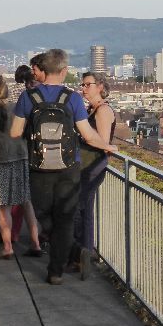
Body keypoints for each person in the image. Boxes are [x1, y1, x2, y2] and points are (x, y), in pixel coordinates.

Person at [10, 49, 116, 285]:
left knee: (43, 214)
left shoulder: (29, 97)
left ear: (43, 70)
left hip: (39, 165)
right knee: (66, 217)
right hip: (69, 166)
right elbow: (89, 136)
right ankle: (56, 270)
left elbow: (15, 132)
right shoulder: (73, 99)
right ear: (64, 71)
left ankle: (75, 251)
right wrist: (109, 147)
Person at [0, 75, 43, 260]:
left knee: (3, 207)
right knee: (26, 201)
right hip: (21, 158)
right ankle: (35, 243)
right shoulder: (17, 108)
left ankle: (7, 247)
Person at [70, 71, 115, 279]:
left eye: (88, 85)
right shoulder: (93, 109)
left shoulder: (103, 111)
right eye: (83, 85)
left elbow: (102, 141)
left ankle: (84, 252)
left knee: (80, 208)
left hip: (92, 166)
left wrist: (88, 137)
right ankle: (83, 253)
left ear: (100, 87)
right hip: (85, 165)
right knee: (83, 209)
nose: (83, 89)